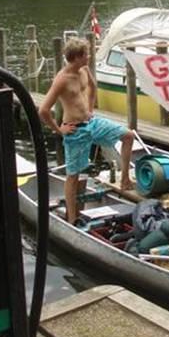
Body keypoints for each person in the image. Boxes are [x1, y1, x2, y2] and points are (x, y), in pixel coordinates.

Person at [39, 38, 134, 224]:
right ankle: (72, 217)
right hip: (75, 130)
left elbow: (93, 86)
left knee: (128, 136)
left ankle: (124, 179)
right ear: (76, 58)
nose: (89, 57)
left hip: (91, 123)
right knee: (73, 175)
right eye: (85, 54)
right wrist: (59, 130)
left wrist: (90, 109)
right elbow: (43, 110)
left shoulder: (84, 69)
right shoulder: (62, 79)